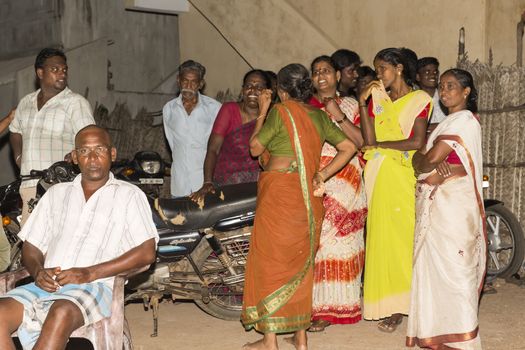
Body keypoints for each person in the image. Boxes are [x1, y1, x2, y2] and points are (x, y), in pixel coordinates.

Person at [0, 125, 158, 350]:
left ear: (111, 154)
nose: (92, 158)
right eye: (84, 151)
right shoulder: (56, 194)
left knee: (61, 312)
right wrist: (38, 271)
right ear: (74, 157)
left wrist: (88, 272)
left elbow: (146, 252)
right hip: (47, 285)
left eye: (99, 149)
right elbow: (31, 247)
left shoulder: (129, 195)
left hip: (94, 286)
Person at [241, 63, 356, 350]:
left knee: (271, 264)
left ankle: (270, 341)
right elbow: (349, 147)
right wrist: (322, 174)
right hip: (308, 198)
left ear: (280, 90)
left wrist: (264, 109)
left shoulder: (280, 112)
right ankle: (301, 338)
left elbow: (255, 148)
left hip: (280, 194)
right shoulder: (318, 115)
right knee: (301, 267)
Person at [407, 69, 485, 349]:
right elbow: (423, 162)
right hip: (437, 203)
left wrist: (423, 158)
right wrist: (423, 158)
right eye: (442, 86)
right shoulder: (447, 123)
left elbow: (427, 161)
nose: (445, 91)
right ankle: (436, 332)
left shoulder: (465, 122)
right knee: (433, 267)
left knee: (457, 266)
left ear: (466, 91)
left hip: (455, 205)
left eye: (452, 86)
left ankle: (462, 337)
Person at [359, 48, 432, 332]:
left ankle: (403, 305)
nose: (378, 75)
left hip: (401, 176)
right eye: (376, 70)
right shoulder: (379, 100)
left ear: (399, 68)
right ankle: (385, 304)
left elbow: (416, 141)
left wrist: (382, 147)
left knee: (401, 241)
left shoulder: (419, 100)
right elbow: (369, 139)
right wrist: (363, 101)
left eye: (382, 69)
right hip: (378, 174)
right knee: (380, 239)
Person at [307, 56, 366, 332]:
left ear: (337, 75)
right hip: (315, 182)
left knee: (338, 245)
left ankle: (337, 309)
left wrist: (337, 113)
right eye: (316, 71)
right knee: (317, 245)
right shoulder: (306, 108)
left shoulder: (351, 105)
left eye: (327, 71)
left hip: (347, 182)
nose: (322, 76)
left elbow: (361, 142)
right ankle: (317, 306)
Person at [9, 48, 95, 227]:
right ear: (40, 73)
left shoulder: (75, 103)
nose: (61, 74)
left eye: (64, 70)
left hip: (61, 188)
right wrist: (18, 156)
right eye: (55, 70)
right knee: (32, 248)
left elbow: (90, 139)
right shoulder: (26, 102)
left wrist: (75, 155)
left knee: (61, 245)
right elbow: (15, 130)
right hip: (29, 188)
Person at [189, 70, 272, 202]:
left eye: (259, 87)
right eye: (249, 86)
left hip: (257, 188)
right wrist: (207, 182)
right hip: (226, 186)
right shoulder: (229, 110)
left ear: (267, 92)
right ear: (242, 90)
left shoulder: (272, 118)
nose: (253, 90)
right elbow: (213, 149)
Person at [162, 60, 222, 197]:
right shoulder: (169, 109)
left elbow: (219, 146)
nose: (188, 86)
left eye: (193, 82)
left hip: (206, 183)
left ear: (201, 84)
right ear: (178, 80)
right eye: (185, 81)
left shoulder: (215, 108)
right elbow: (173, 144)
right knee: (180, 218)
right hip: (180, 184)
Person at [416, 57, 447, 134]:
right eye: (427, 72)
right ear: (418, 77)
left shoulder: (447, 97)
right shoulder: (413, 100)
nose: (433, 75)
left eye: (435, 72)